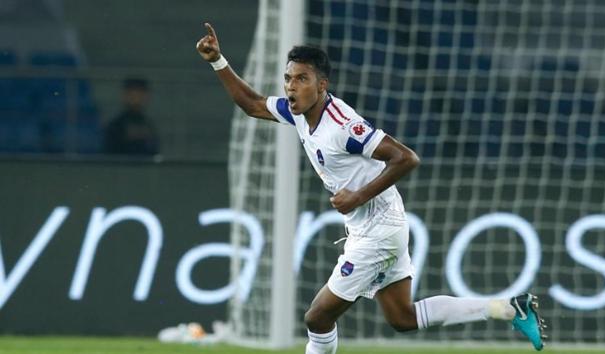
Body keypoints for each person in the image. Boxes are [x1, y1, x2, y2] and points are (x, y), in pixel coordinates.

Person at [196, 23, 547, 353]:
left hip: (378, 229)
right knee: (403, 318)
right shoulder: (297, 111)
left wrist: (357, 196)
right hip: (372, 225)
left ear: (321, 85)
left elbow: (406, 157)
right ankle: (509, 309)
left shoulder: (344, 126)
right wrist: (218, 61)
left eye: (301, 79)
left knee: (317, 317)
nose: (290, 86)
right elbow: (253, 105)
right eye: (288, 78)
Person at [104, 78, 159, 155]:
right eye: (132, 93)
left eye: (140, 93)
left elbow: (154, 151)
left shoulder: (149, 126)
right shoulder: (115, 125)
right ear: (125, 95)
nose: (136, 97)